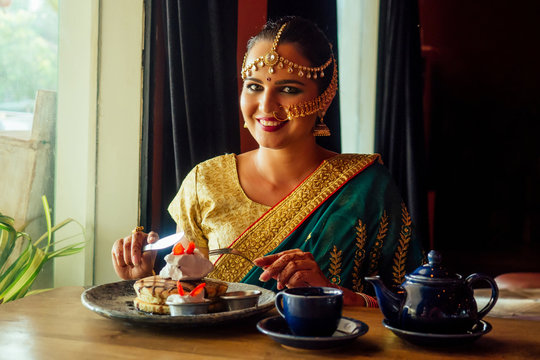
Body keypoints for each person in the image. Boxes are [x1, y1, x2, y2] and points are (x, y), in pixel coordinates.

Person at [112, 16, 424, 306]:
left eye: (289, 89)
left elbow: (410, 302)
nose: (266, 105)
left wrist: (328, 294)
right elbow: (189, 299)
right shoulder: (204, 182)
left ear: (324, 97)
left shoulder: (366, 187)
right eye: (254, 86)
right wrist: (145, 279)